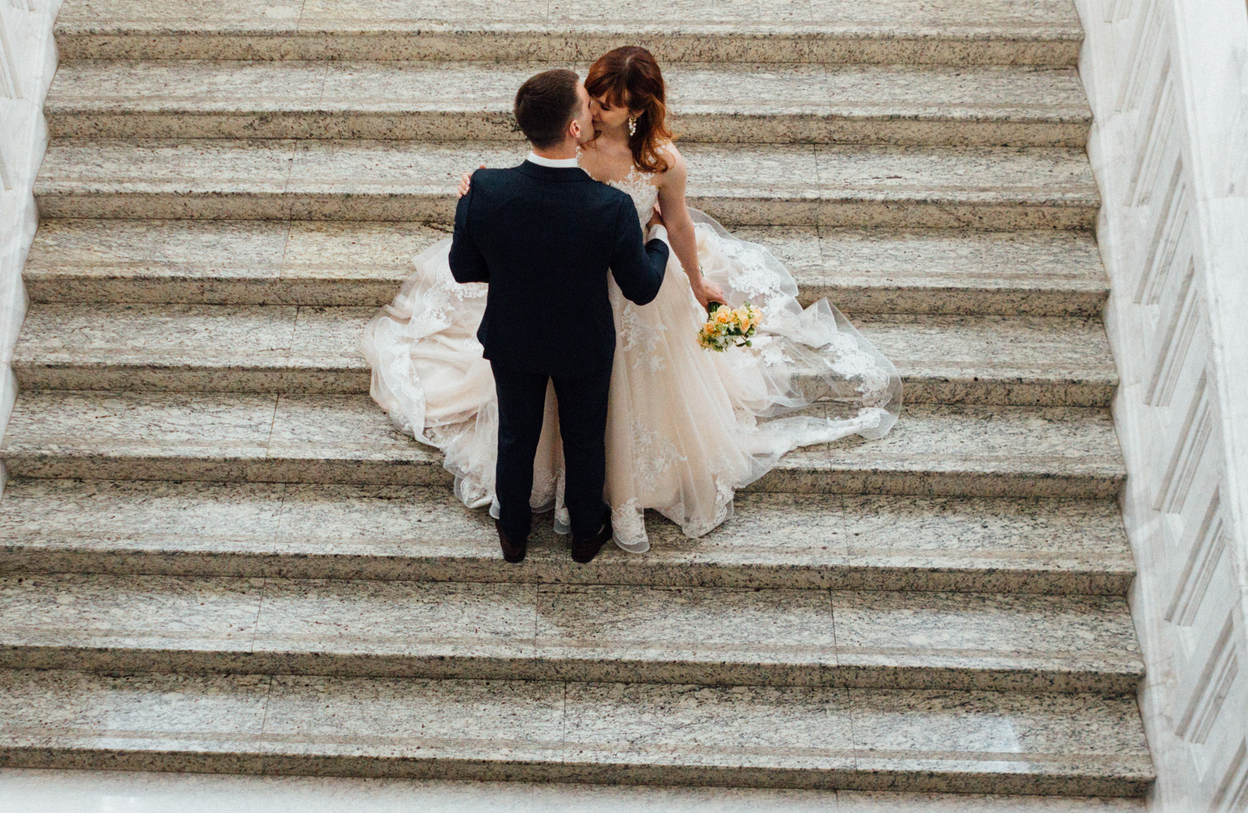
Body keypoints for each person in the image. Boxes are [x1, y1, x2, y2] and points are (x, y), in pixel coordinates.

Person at [366, 46, 903, 553]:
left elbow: (679, 222)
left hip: (633, 286)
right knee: (559, 409)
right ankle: (559, 499)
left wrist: (695, 280)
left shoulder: (661, 162)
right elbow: (539, 189)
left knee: (614, 400)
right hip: (565, 285)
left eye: (608, 104)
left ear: (638, 109)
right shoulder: (572, 137)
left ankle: (605, 496)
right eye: (593, 97)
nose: (595, 111)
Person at [428, 67, 670, 563]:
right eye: (587, 104)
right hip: (583, 344)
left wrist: (471, 215)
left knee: (517, 435)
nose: (593, 110)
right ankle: (585, 535)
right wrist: (660, 240)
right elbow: (642, 288)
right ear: (575, 130)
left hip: (514, 338)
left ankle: (513, 532)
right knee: (584, 440)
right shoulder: (611, 207)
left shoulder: (486, 189)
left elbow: (463, 267)